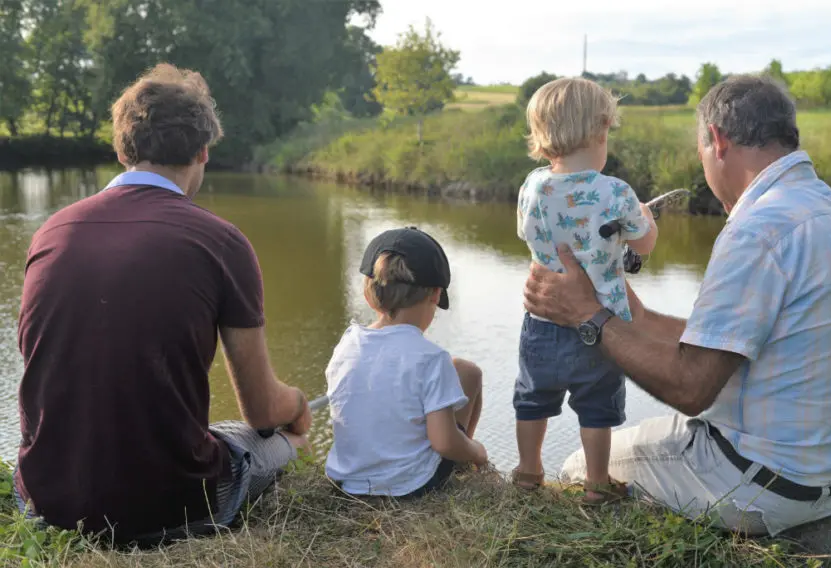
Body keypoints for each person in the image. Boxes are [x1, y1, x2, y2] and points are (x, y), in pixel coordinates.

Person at [522, 75, 831, 544]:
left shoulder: (757, 230)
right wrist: (629, 313)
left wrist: (588, 316)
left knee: (578, 465)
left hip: (763, 483)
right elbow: (735, 342)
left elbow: (692, 387)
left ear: (716, 141)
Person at [14, 63, 312, 545]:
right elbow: (260, 410)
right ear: (203, 151)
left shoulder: (52, 231)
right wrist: (296, 403)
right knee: (276, 440)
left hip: (47, 501)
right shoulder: (221, 241)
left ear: (121, 149)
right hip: (170, 506)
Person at [511, 77, 658, 502]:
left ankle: (527, 471)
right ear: (600, 129)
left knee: (532, 397)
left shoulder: (533, 185)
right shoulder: (615, 192)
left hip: (541, 320)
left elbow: (526, 231)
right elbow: (643, 243)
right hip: (600, 325)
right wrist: (646, 216)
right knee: (597, 405)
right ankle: (597, 482)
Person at [324, 227, 488, 498]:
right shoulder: (431, 358)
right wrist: (477, 451)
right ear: (435, 296)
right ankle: (465, 464)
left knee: (458, 373)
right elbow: (444, 442)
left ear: (368, 295)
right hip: (408, 487)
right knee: (469, 372)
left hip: (348, 483)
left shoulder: (347, 343)